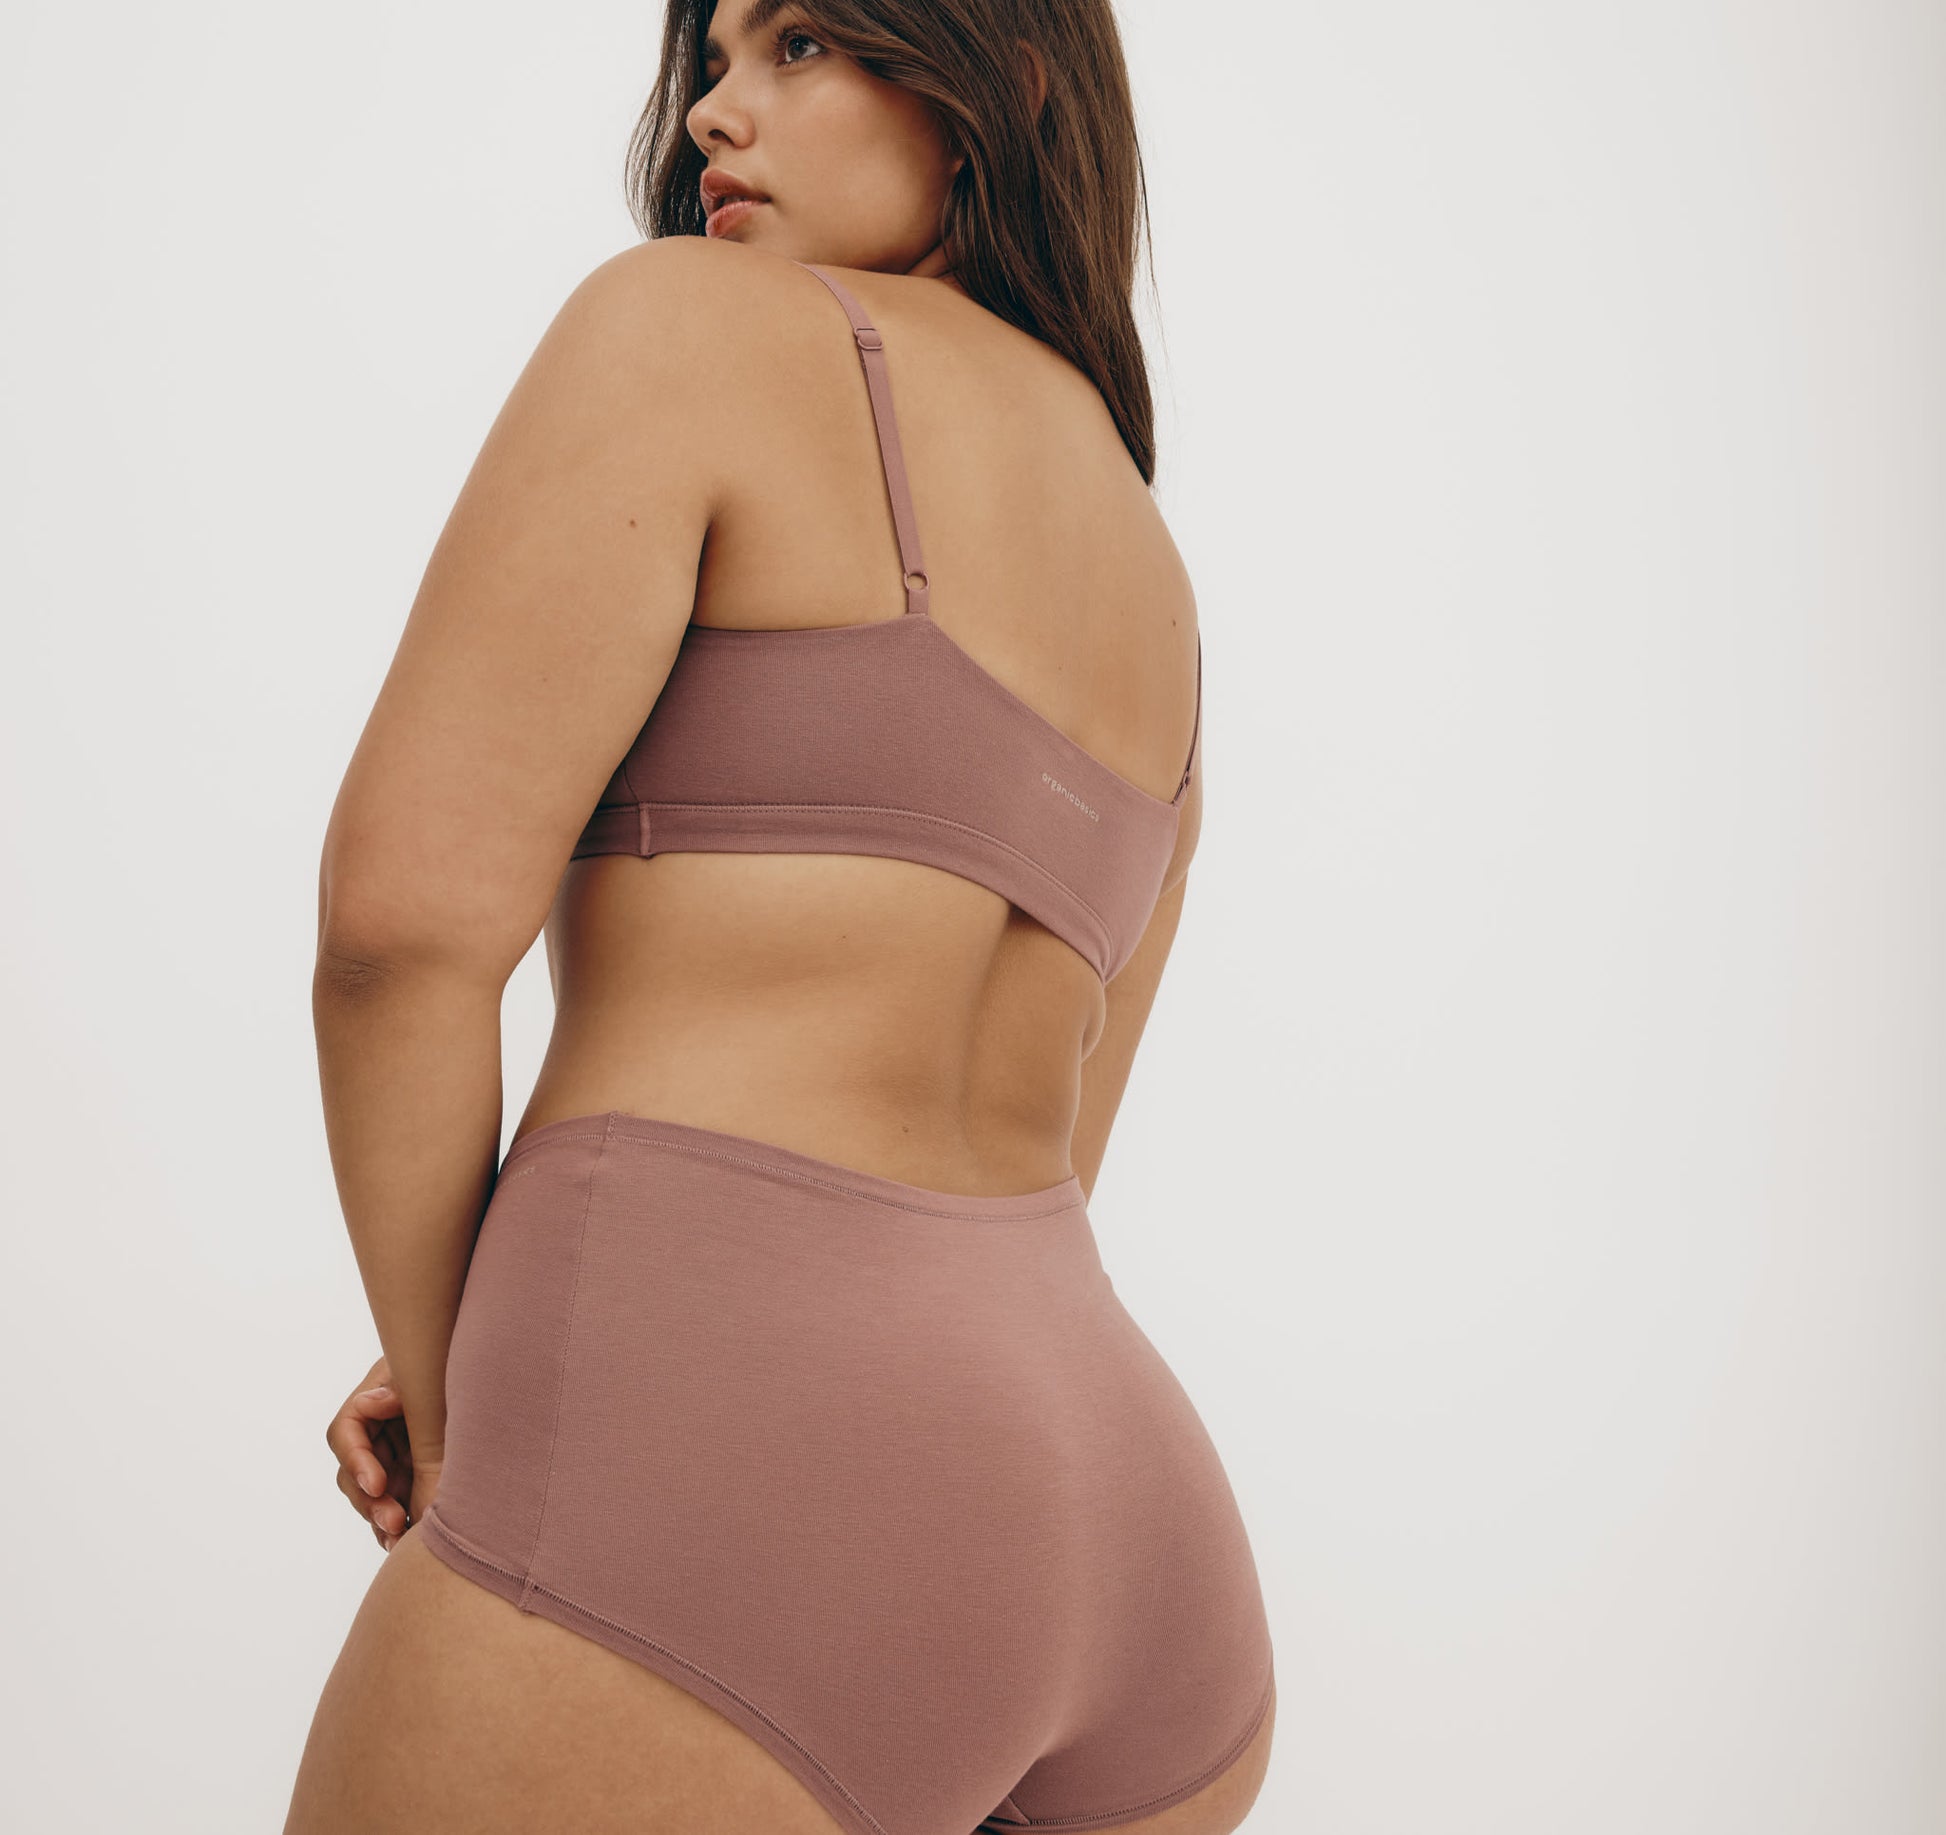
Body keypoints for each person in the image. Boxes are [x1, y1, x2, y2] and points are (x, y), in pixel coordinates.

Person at [285, 2, 1275, 1830]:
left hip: (714, 1462)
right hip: (1124, 1534)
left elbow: (398, 936)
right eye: (716, 58)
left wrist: (480, 1408)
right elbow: (1057, 1137)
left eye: (803, 44)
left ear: (999, 78)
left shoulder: (686, 327)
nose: (712, 117)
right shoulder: (1149, 565)